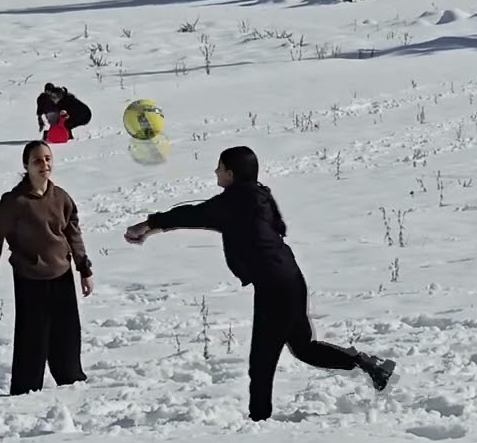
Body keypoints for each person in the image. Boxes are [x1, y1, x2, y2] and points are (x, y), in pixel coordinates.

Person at [124, 146, 396, 421]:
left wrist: (147, 224)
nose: (215, 172)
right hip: (289, 278)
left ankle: (259, 423)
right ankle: (367, 364)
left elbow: (193, 214)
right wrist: (153, 228)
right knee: (303, 349)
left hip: (274, 287)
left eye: (219, 167)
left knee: (262, 363)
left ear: (230, 174)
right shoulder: (257, 197)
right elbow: (208, 218)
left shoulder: (234, 202)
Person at [0, 140, 95, 395]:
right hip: (29, 277)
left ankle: (71, 381)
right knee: (32, 336)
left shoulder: (61, 197)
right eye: (37, 160)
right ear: (26, 166)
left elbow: (73, 234)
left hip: (61, 273)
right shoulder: (14, 202)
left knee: (66, 333)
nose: (44, 164)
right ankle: (25, 389)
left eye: (47, 159)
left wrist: (84, 269)